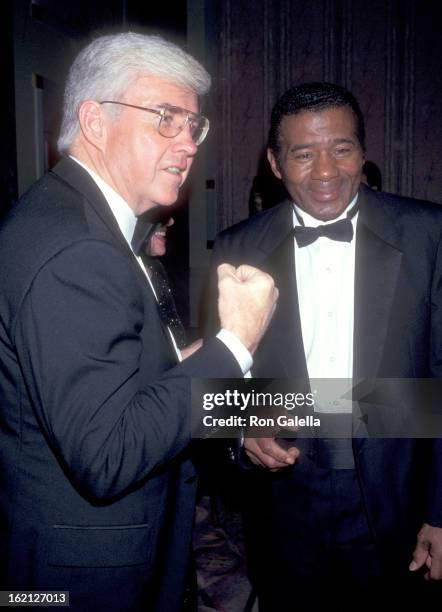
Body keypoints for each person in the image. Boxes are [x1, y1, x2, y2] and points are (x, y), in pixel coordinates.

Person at [0, 33, 278, 611]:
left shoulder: (85, 222)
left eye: (193, 126)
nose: (188, 143)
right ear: (94, 122)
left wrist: (187, 365)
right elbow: (106, 453)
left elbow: (108, 379)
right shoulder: (77, 244)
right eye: (165, 118)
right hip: (79, 580)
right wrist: (233, 347)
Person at [208, 82, 442, 607]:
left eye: (342, 149)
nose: (326, 172)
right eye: (303, 154)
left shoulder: (429, 234)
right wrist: (243, 430)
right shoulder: (236, 245)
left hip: (399, 492)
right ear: (274, 161)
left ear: (363, 151)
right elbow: (223, 381)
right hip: (285, 498)